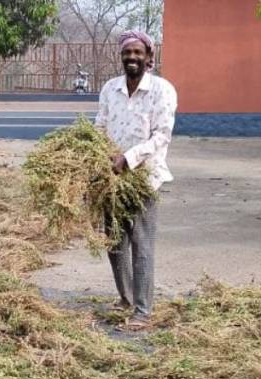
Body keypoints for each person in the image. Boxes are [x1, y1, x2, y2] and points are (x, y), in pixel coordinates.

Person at [94, 30, 178, 331]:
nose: (132, 57)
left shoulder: (162, 90)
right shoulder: (110, 89)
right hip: (112, 178)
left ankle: (143, 311)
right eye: (127, 52)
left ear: (149, 57)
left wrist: (128, 158)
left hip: (144, 178)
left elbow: (161, 135)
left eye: (137, 52)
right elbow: (100, 125)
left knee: (141, 245)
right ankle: (126, 298)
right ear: (121, 56)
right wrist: (101, 154)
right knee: (115, 242)